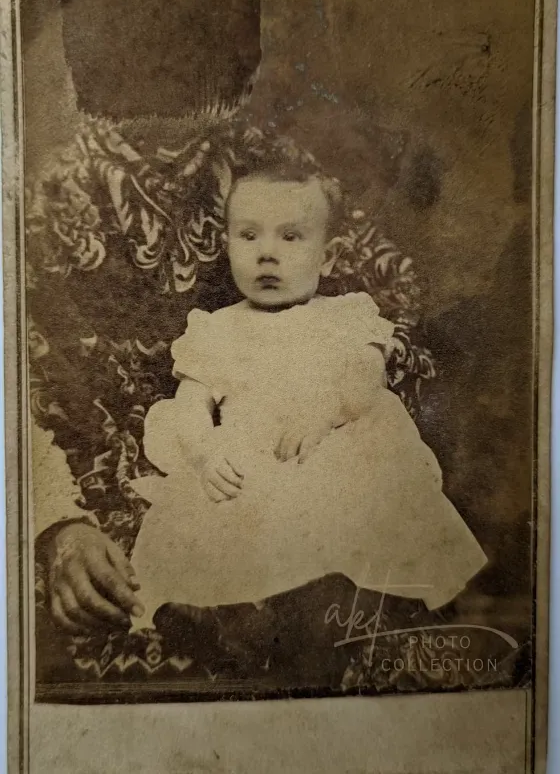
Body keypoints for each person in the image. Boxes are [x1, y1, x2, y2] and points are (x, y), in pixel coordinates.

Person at [128, 165, 488, 629]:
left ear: (329, 256)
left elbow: (365, 378)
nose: (267, 255)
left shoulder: (347, 316)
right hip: (253, 459)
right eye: (249, 236)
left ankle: (363, 599)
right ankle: (232, 609)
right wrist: (203, 453)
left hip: (332, 447)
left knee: (367, 511)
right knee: (212, 528)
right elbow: (190, 404)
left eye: (291, 237)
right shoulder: (216, 329)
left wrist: (325, 411)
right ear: (227, 243)